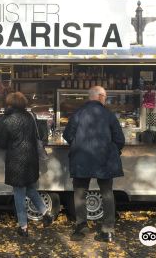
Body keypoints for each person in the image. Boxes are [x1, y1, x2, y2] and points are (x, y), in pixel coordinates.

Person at [63, 86, 125, 242]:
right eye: (105, 97)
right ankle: (108, 230)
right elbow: (120, 139)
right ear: (100, 97)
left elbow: (67, 134)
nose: (105, 99)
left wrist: (77, 145)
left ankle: (81, 228)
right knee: (107, 193)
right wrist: (112, 150)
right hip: (105, 159)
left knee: (80, 193)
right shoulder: (109, 115)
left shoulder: (78, 113)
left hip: (81, 159)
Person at [0, 92, 54, 237]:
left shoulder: (7, 120)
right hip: (31, 159)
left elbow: (2, 143)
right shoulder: (30, 117)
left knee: (19, 194)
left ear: (10, 104)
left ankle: (23, 226)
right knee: (30, 188)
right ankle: (46, 213)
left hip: (16, 161)